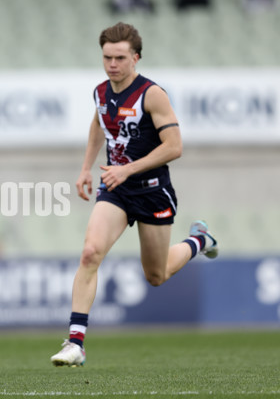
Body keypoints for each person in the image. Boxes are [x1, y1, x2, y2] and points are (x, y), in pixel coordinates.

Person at [50, 22, 218, 367]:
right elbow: (99, 123)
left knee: (155, 276)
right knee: (90, 253)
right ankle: (76, 342)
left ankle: (199, 240)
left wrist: (127, 167)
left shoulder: (152, 94)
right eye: (107, 57)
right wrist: (86, 167)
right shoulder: (99, 92)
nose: (112, 64)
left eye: (120, 58)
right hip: (116, 191)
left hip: (153, 192)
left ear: (136, 58)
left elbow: (175, 146)